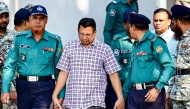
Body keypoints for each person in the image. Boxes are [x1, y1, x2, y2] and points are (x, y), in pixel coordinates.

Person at [1, 5, 65, 109]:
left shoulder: (55, 41)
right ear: (30, 19)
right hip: (23, 87)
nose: (38, 21)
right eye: (35, 18)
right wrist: (5, 90)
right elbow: (9, 66)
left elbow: (60, 71)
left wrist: (61, 94)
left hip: (44, 87)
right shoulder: (19, 39)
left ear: (46, 20)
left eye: (41, 18)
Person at [52, 18, 125, 109]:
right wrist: (55, 95)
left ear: (95, 33)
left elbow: (113, 74)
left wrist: (120, 97)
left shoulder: (104, 49)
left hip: (94, 103)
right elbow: (63, 73)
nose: (84, 37)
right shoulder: (70, 47)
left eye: (88, 34)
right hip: (73, 103)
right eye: (81, 34)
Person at [122, 13, 175, 109]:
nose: (128, 30)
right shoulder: (136, 44)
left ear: (133, 27)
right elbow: (131, 73)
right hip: (134, 94)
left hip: (151, 94)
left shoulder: (155, 41)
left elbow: (169, 67)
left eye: (129, 27)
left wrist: (157, 88)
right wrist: (122, 97)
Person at [103, 0, 138, 108]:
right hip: (118, 48)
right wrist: (110, 53)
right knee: (114, 92)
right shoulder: (114, 6)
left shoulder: (135, 4)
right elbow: (107, 30)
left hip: (131, 46)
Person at [152, 8, 178, 109]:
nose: (157, 23)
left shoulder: (176, 39)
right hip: (150, 89)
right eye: (155, 20)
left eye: (161, 20)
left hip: (169, 89)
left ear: (169, 21)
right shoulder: (148, 37)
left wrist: (170, 91)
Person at [110, 10, 136, 109]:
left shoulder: (143, 38)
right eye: (130, 24)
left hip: (139, 86)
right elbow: (115, 64)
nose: (133, 26)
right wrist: (129, 78)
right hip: (121, 84)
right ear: (124, 24)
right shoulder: (118, 40)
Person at [167, 5, 190, 109]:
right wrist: (170, 89)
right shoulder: (181, 40)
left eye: (172, 21)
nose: (171, 25)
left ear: (177, 21)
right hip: (178, 94)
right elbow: (178, 68)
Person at [0, 2, 13, 109]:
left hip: (9, 87)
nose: (4, 20)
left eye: (6, 16)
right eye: (0, 16)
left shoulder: (14, 36)